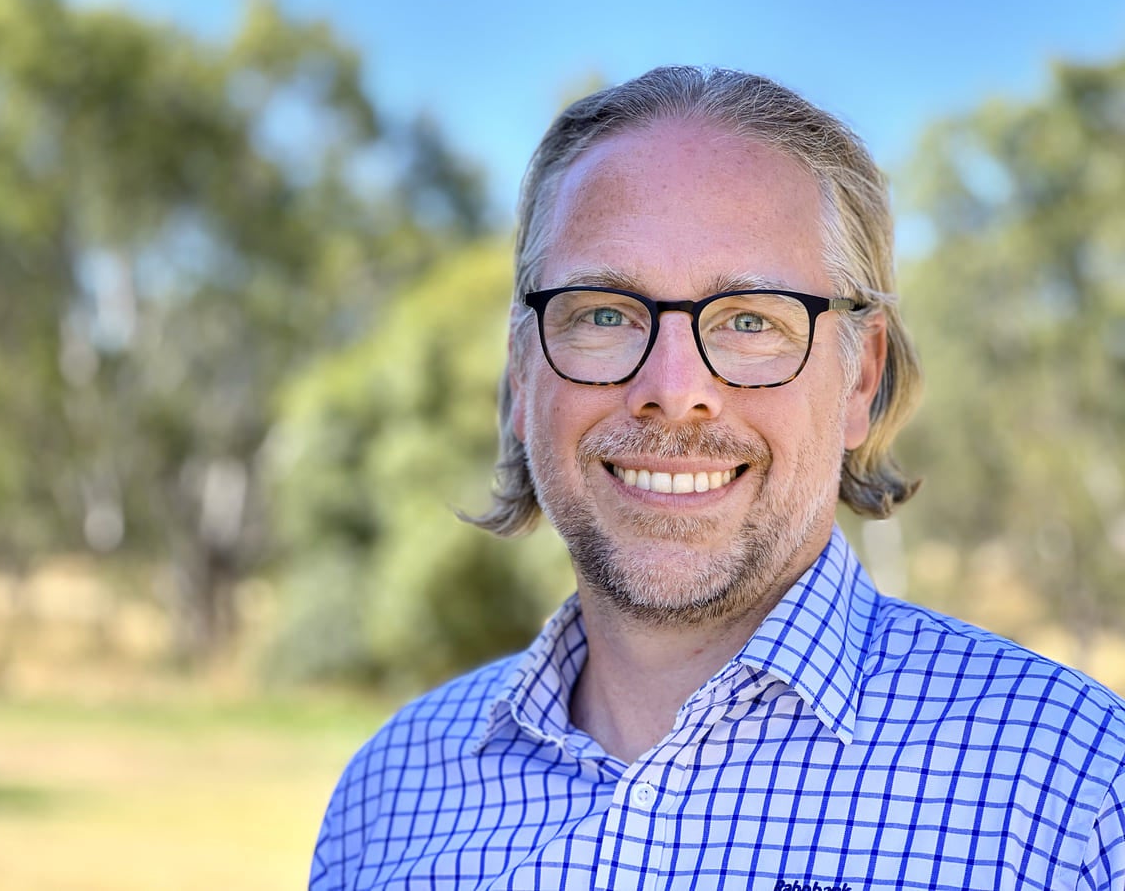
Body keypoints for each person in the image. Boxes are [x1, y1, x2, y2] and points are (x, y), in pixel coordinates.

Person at [310, 66, 1125, 890]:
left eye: (749, 321)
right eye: (603, 313)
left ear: (860, 378)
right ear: (523, 372)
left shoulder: (1078, 799)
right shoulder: (386, 798)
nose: (673, 390)